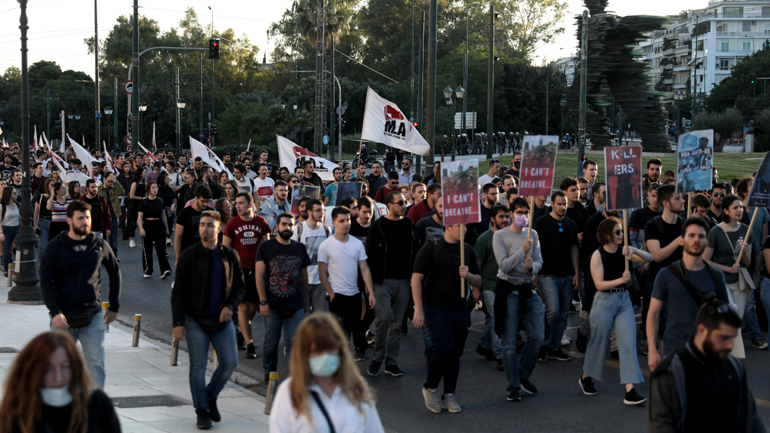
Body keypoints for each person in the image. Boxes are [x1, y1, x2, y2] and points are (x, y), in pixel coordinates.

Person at [171, 210, 245, 429]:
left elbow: (240, 286)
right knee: (198, 367)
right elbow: (179, 291)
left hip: (222, 320)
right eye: (202, 224)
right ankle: (201, 411)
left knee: (230, 361)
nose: (205, 228)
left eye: (210, 225)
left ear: (218, 228)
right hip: (195, 319)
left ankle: (210, 395)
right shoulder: (189, 255)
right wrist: (178, 322)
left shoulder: (230, 255)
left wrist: (230, 307)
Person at [648, 300, 767, 433]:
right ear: (702, 330)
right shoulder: (672, 371)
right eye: (723, 338)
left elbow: (752, 418)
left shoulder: (734, 367)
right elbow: (661, 426)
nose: (730, 346)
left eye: (732, 338)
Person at [40, 201, 121, 389]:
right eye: (81, 218)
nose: (85, 221)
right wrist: (55, 312)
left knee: (96, 365)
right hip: (63, 318)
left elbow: (115, 272)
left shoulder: (98, 244)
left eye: (88, 217)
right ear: (69, 220)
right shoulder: (55, 247)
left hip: (92, 316)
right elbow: (45, 281)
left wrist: (114, 306)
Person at [269, 312, 385, 432]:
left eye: (330, 349)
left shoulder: (357, 388)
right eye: (317, 351)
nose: (325, 356)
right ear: (304, 354)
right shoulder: (289, 392)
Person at [579, 217, 651, 404]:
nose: (621, 235)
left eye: (622, 231)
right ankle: (586, 376)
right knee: (599, 341)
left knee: (627, 343)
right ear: (607, 234)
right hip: (604, 301)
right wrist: (622, 279)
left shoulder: (624, 252)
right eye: (618, 232)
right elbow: (599, 284)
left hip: (624, 301)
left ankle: (630, 390)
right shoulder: (597, 255)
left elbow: (651, 258)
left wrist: (634, 250)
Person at [412, 223, 482, 414]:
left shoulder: (467, 249)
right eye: (461, 226)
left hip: (459, 309)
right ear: (449, 226)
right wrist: (418, 308)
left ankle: (449, 394)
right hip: (436, 308)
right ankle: (430, 387)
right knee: (444, 348)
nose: (465, 229)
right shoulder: (432, 247)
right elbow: (416, 278)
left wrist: (467, 276)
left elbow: (478, 280)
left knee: (455, 353)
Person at [647, 217, 729, 370]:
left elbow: (726, 312)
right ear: (681, 241)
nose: (696, 240)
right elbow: (653, 314)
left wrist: (715, 308)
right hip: (675, 350)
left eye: (701, 236)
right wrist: (652, 349)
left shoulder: (716, 275)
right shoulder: (666, 274)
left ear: (707, 242)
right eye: (691, 235)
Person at [0, 332, 121, 433]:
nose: (58, 377)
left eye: (65, 367)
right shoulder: (17, 410)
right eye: (49, 369)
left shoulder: (97, 403)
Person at [493, 198, 544, 402]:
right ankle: (513, 385)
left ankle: (522, 375)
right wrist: (522, 250)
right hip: (507, 289)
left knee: (538, 336)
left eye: (526, 213)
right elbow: (504, 265)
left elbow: (540, 261)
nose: (523, 216)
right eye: (519, 212)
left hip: (527, 288)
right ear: (512, 213)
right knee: (509, 341)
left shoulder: (533, 234)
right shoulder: (500, 235)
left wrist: (534, 267)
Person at [318, 206, 377, 371]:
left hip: (355, 294)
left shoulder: (357, 244)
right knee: (341, 330)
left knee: (356, 325)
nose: (346, 224)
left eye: (348, 220)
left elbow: (364, 269)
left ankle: (360, 347)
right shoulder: (326, 246)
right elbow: (322, 273)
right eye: (342, 221)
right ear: (334, 222)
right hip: (336, 295)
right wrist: (331, 294)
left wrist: (370, 292)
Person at [365, 192, 416, 377]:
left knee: (396, 324)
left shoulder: (409, 225)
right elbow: (369, 258)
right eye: (400, 203)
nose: (404, 205)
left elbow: (414, 252)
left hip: (403, 280)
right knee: (384, 317)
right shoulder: (377, 227)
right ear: (389, 205)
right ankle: (378, 357)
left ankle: (391, 362)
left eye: (404, 202)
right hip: (382, 280)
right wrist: (369, 284)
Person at [255, 212, 310, 382]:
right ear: (277, 227)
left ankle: (293, 380)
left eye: (291, 225)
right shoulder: (265, 247)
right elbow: (259, 275)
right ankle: (269, 373)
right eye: (284, 224)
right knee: (271, 342)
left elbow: (304, 277)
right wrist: (263, 301)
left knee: (293, 344)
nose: (288, 228)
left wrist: (305, 303)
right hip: (272, 305)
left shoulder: (299, 248)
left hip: (295, 304)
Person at [703, 194, 751, 358]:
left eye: (741, 207)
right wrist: (727, 269)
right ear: (726, 210)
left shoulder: (746, 229)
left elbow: (749, 262)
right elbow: (705, 260)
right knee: (727, 319)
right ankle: (732, 356)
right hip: (722, 282)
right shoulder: (715, 232)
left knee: (735, 320)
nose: (739, 210)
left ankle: (727, 354)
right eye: (735, 207)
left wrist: (743, 252)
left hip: (739, 284)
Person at [223, 192, 270, 359]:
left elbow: (266, 245)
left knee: (252, 307)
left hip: (257, 270)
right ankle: (250, 344)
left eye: (241, 203)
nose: (237, 206)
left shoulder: (261, 222)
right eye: (236, 203)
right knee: (243, 306)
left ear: (250, 205)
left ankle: (241, 332)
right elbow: (225, 250)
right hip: (240, 270)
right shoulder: (232, 224)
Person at [533, 191, 579, 362]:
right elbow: (535, 249)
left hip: (567, 275)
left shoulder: (570, 224)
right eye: (559, 204)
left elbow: (574, 249)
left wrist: (576, 273)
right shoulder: (541, 223)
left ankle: (554, 347)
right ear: (551, 204)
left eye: (564, 204)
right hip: (548, 274)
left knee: (563, 313)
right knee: (552, 310)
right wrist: (535, 273)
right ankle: (543, 344)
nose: (562, 207)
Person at [474, 204, 509, 371]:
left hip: (505, 286)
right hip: (489, 286)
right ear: (493, 219)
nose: (505, 219)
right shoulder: (484, 239)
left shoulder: (510, 236)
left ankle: (484, 344)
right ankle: (500, 355)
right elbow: (477, 267)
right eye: (501, 217)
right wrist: (475, 289)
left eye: (506, 216)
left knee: (497, 318)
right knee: (496, 318)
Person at [291, 198, 332, 313]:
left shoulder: (326, 230)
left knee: (320, 317)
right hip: (303, 280)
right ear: (309, 212)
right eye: (318, 210)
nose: (321, 213)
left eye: (323, 210)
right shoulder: (299, 229)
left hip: (320, 281)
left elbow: (329, 256)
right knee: (302, 316)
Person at [137, 182, 172, 279]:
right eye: (153, 188)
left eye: (156, 187)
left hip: (159, 225)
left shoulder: (160, 201)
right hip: (148, 225)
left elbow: (163, 216)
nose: (155, 189)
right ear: (148, 190)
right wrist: (141, 228)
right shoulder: (144, 202)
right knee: (147, 249)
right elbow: (140, 217)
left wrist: (167, 229)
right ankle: (148, 270)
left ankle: (165, 270)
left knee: (161, 249)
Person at [174, 185, 214, 267]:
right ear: (196, 198)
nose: (205, 204)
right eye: (203, 201)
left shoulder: (211, 212)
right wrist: (178, 258)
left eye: (207, 201)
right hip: (188, 254)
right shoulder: (184, 213)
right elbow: (178, 237)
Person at [97, 173, 125, 260]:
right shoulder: (99, 189)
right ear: (104, 179)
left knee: (113, 237)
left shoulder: (114, 187)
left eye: (111, 181)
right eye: (109, 181)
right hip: (102, 217)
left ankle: (114, 256)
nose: (110, 183)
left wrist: (116, 181)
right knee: (102, 238)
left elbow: (122, 192)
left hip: (112, 216)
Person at [33, 178, 55, 258]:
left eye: (54, 185)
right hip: (42, 222)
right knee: (44, 246)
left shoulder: (55, 198)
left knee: (53, 246)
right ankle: (40, 266)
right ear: (47, 186)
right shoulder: (40, 197)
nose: (53, 187)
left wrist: (53, 195)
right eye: (52, 185)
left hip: (53, 222)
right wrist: (35, 224)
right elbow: (36, 211)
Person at [0, 187, 19, 275]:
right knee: (6, 250)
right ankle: (7, 270)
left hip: (16, 228)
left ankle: (18, 269)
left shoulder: (18, 204)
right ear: (9, 194)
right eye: (14, 193)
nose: (16, 194)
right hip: (6, 228)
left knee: (19, 249)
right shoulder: (2, 206)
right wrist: (1, 232)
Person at [127, 167, 147, 248]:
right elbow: (131, 196)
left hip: (143, 204)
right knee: (133, 222)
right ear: (140, 173)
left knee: (145, 221)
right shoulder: (135, 183)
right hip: (134, 205)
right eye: (144, 172)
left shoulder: (144, 183)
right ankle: (131, 239)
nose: (145, 174)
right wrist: (142, 198)